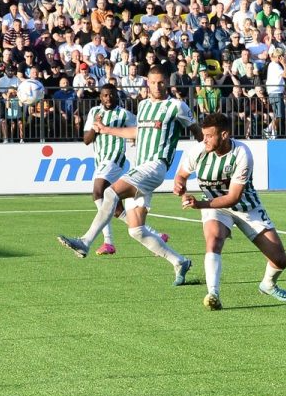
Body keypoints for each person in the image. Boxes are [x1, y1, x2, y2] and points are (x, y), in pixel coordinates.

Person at [58, 65, 197, 287]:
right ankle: (179, 262)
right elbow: (137, 133)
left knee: (110, 192)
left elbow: (200, 135)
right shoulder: (143, 106)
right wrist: (105, 129)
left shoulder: (176, 106)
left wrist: (194, 167)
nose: (157, 86)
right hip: (141, 166)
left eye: (161, 82)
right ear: (148, 83)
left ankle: (85, 241)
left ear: (167, 83)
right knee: (136, 230)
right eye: (153, 82)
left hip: (155, 166)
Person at [175, 111, 286, 309]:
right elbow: (181, 176)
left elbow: (233, 197)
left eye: (209, 136)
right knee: (213, 240)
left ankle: (268, 285)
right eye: (203, 135)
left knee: (279, 260)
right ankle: (213, 293)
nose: (203, 140)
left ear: (224, 135)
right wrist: (181, 190)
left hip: (246, 207)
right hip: (215, 207)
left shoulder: (242, 154)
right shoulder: (198, 151)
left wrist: (200, 204)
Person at [81, 83, 135, 256]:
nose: (108, 98)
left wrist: (135, 138)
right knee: (117, 209)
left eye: (111, 95)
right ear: (100, 97)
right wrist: (96, 128)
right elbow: (87, 140)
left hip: (115, 158)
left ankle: (106, 241)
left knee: (97, 192)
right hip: (101, 160)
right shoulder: (94, 113)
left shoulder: (124, 114)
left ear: (116, 96)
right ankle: (155, 236)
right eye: (105, 95)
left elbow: (141, 129)